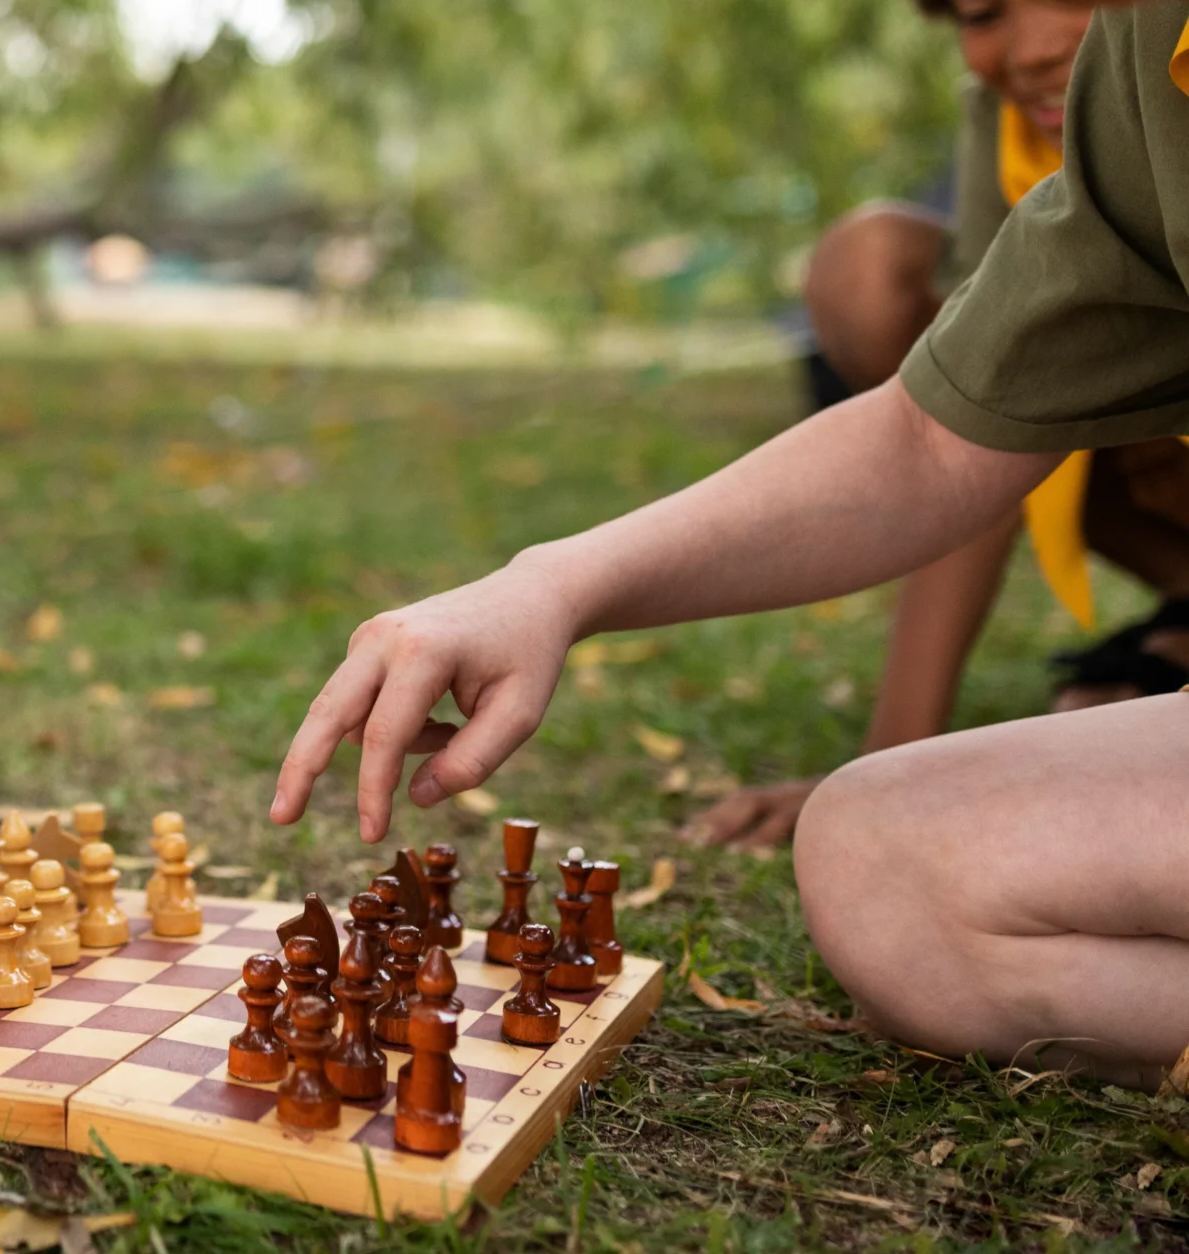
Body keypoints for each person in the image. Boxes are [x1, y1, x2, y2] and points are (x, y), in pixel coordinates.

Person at [274, 1, 1189, 1091]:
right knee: (877, 866)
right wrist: (551, 583)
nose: (1030, 40)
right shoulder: (1141, 56)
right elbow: (935, 435)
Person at [694, 0, 1189, 849]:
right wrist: (885, 773)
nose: (1030, 49)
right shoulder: (1012, 121)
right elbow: (981, 406)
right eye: (981, 13)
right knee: (879, 272)